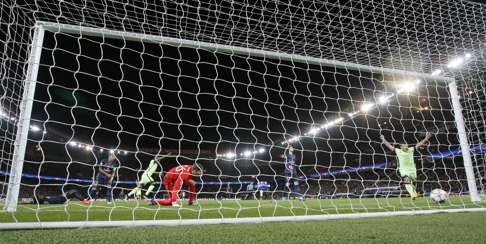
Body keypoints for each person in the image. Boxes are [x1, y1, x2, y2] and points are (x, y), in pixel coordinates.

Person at [380, 132, 433, 200]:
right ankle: (413, 195)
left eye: (406, 144)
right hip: (403, 170)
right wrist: (383, 139)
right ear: (401, 147)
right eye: (404, 145)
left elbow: (419, 144)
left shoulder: (411, 149)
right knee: (406, 180)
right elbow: (389, 146)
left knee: (414, 184)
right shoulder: (398, 151)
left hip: (413, 170)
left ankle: (414, 192)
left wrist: (426, 138)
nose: (406, 145)